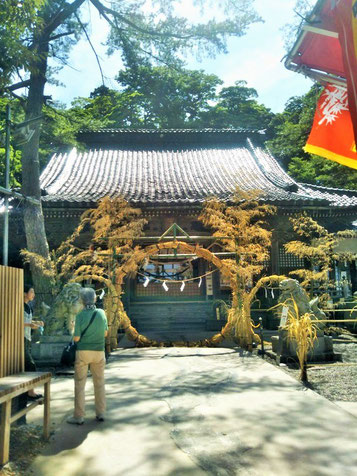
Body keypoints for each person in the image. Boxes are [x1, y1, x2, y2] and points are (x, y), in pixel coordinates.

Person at [67, 287, 108, 425]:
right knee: (99, 382)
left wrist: (73, 329)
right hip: (99, 352)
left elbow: (77, 338)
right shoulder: (102, 313)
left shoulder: (79, 316)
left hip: (83, 352)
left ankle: (79, 416)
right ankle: (101, 412)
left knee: (80, 384)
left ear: (81, 300)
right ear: (95, 299)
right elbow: (105, 334)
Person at [24, 284, 44, 399]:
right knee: (30, 365)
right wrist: (30, 325)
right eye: (31, 292)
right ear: (24, 293)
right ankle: (30, 392)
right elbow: (16, 321)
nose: (33, 294)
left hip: (27, 338)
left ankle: (29, 391)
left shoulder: (28, 306)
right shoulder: (19, 306)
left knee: (28, 364)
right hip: (19, 338)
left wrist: (37, 322)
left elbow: (27, 320)